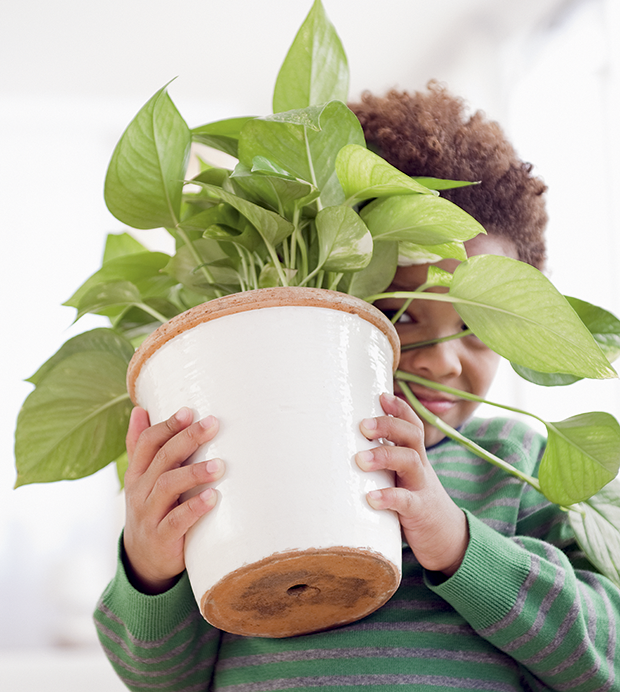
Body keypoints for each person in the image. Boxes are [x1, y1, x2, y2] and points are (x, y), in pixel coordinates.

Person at [94, 83, 620, 691]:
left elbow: (605, 660)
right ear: (333, 311)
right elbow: (159, 680)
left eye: (479, 328)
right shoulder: (242, 458)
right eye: (402, 317)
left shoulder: (519, 464)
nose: (446, 362)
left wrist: (459, 546)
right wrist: (150, 567)